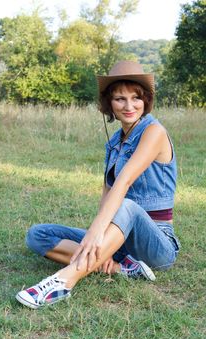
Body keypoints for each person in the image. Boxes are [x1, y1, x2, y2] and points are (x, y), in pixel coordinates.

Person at [16, 61, 180, 309]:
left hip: (157, 245)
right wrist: (100, 240)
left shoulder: (154, 131)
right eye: (119, 99)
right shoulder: (115, 141)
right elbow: (107, 190)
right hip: (119, 240)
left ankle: (63, 282)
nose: (129, 106)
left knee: (128, 205)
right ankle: (119, 268)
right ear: (109, 104)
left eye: (136, 98)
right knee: (37, 235)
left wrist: (95, 233)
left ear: (145, 99)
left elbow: (123, 182)